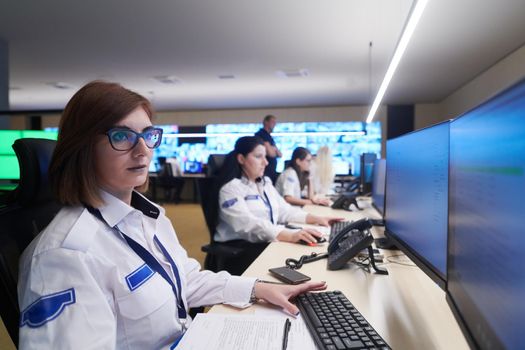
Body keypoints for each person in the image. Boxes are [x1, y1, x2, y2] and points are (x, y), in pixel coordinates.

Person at [17, 81, 327, 349]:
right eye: (122, 137)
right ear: (82, 148)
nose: (143, 151)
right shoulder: (65, 256)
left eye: (147, 135)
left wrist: (259, 289)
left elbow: (185, 279)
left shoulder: (147, 217)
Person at [214, 136, 342, 245]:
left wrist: (317, 219)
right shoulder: (230, 189)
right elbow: (247, 224)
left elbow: (284, 210)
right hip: (242, 248)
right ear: (241, 159)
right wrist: (289, 235)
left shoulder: (265, 183)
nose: (266, 163)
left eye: (265, 157)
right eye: (259, 157)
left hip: (267, 240)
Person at [254, 114, 282, 183]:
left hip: (272, 171)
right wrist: (274, 149)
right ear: (266, 122)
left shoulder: (269, 137)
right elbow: (271, 153)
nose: (274, 124)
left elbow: (280, 154)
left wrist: (273, 148)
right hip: (265, 171)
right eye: (272, 122)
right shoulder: (261, 134)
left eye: (275, 123)